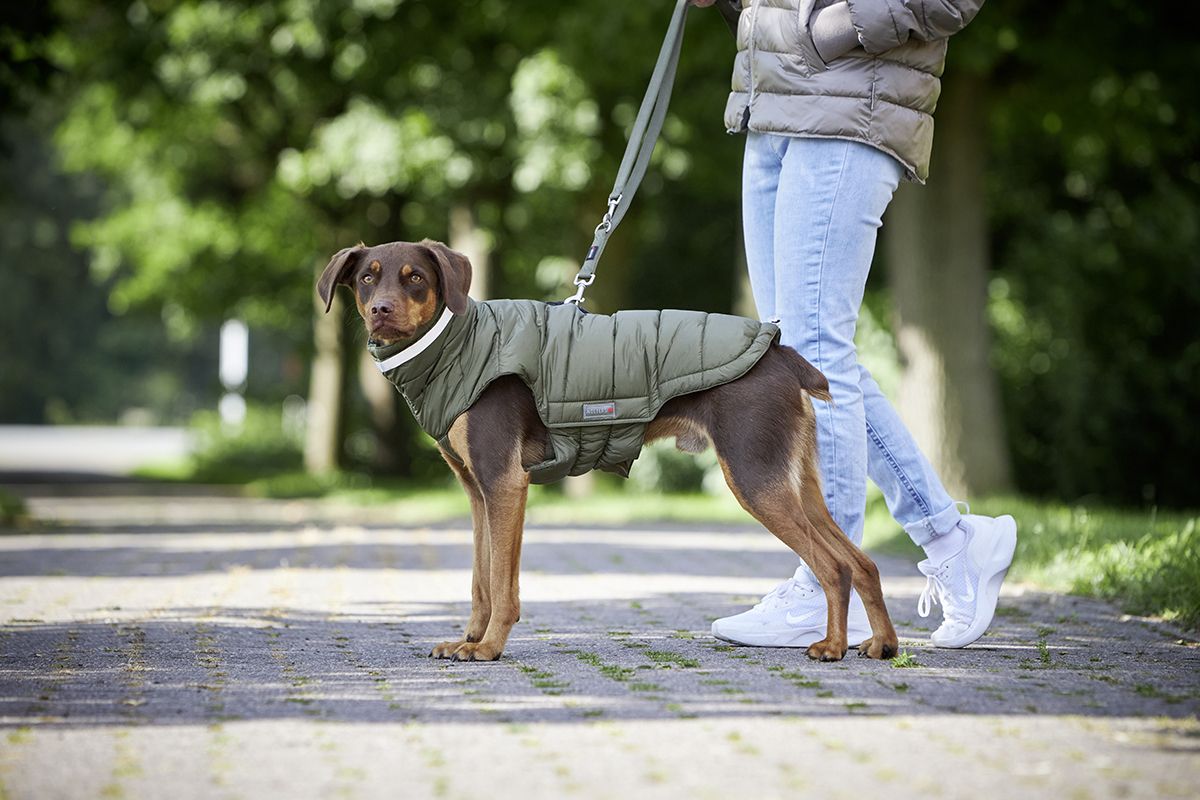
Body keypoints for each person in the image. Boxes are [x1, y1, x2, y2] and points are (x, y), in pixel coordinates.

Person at [692, 0, 1017, 649]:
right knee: (796, 358)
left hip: (849, 104)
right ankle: (955, 540)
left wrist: (829, 30)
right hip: (771, 100)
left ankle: (826, 581)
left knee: (813, 357)